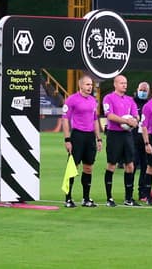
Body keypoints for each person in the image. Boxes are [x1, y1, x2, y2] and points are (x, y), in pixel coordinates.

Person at [60, 75, 102, 207]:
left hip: (90, 137)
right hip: (77, 136)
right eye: (87, 84)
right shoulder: (71, 100)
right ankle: (68, 198)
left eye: (91, 85)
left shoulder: (93, 101)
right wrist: (67, 139)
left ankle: (86, 198)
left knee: (88, 167)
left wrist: (98, 138)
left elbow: (95, 120)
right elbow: (65, 120)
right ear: (81, 85)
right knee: (73, 167)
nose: (90, 87)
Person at [100, 74, 140, 207]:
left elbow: (136, 116)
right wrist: (126, 120)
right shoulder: (108, 98)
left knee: (130, 165)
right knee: (112, 164)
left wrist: (135, 121)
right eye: (122, 83)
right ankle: (109, 198)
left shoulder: (130, 100)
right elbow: (109, 115)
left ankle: (128, 198)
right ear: (115, 84)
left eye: (126, 83)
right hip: (114, 135)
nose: (125, 85)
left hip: (127, 135)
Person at [133, 81, 151, 200]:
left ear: (148, 92)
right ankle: (128, 191)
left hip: (145, 139)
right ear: (137, 89)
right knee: (132, 165)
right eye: (141, 90)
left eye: (145, 91)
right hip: (133, 139)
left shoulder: (150, 104)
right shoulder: (131, 102)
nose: (143, 92)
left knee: (145, 166)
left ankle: (142, 193)